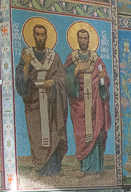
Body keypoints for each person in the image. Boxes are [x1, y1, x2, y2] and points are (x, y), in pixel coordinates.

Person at [15, 21, 69, 177]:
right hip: (34, 103)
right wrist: (26, 65)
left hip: (52, 103)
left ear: (46, 36)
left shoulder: (54, 56)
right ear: (33, 36)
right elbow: (21, 82)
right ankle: (39, 168)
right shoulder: (27, 55)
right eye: (37, 34)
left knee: (53, 134)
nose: (40, 37)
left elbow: (63, 79)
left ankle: (55, 169)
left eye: (42, 34)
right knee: (37, 136)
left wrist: (53, 82)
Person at [64, 25, 112, 172]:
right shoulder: (72, 58)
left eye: (86, 38)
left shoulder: (96, 58)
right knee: (82, 135)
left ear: (89, 40)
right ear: (77, 39)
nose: (83, 40)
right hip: (79, 104)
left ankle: (97, 169)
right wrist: (77, 70)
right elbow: (65, 80)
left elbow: (105, 79)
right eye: (81, 38)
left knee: (97, 134)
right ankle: (83, 168)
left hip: (95, 104)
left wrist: (103, 79)